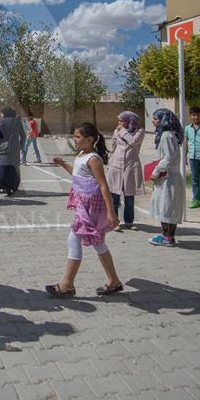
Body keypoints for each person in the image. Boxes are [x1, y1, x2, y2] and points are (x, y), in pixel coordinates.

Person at [47, 123, 122, 298]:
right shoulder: (82, 155)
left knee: (74, 238)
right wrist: (63, 164)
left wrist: (111, 213)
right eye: (74, 136)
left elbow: (103, 186)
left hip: (92, 206)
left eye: (78, 137)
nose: (75, 140)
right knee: (97, 242)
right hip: (82, 203)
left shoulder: (94, 159)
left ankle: (66, 285)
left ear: (90, 139)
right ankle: (114, 281)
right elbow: (77, 174)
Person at [149, 109, 186, 247]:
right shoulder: (171, 135)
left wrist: (156, 172)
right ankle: (168, 236)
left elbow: (168, 158)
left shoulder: (167, 136)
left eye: (156, 119)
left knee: (167, 207)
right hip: (170, 177)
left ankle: (167, 237)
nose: (153, 121)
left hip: (168, 178)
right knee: (169, 206)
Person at [107, 111, 145, 231]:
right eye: (119, 121)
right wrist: (109, 159)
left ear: (130, 121)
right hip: (116, 166)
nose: (119, 123)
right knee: (114, 195)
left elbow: (133, 141)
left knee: (129, 196)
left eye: (122, 121)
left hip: (130, 166)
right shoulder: (116, 131)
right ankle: (114, 221)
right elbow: (113, 145)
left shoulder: (139, 132)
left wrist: (122, 130)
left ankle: (129, 221)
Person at [0, 108, 27, 197]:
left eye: (2, 113)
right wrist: (20, 146)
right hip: (15, 148)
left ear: (5, 113)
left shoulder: (1, 122)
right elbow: (23, 136)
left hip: (3, 149)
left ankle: (6, 187)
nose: (1, 115)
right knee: (15, 167)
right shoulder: (17, 122)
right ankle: (14, 186)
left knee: (4, 167)